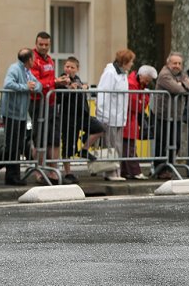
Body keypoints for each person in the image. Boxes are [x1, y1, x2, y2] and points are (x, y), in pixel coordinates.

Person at [55, 56, 105, 184]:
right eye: (67, 66)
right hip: (68, 118)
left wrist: (85, 86)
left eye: (72, 67)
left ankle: (83, 149)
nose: (69, 69)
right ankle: (68, 173)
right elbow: (58, 96)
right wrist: (67, 87)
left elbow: (82, 85)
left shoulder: (77, 79)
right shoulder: (62, 79)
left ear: (77, 69)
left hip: (82, 115)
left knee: (99, 128)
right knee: (67, 146)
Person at [31, 31, 71, 183]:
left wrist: (59, 81)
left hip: (51, 102)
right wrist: (55, 82)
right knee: (39, 137)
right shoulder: (33, 59)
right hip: (37, 101)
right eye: (40, 44)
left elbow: (50, 80)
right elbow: (37, 82)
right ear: (36, 44)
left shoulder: (50, 60)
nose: (43, 47)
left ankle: (53, 170)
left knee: (54, 137)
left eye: (46, 45)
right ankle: (39, 171)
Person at [0, 48, 42, 186]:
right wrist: (25, 87)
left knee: (18, 144)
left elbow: (38, 85)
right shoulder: (15, 68)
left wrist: (33, 87)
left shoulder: (27, 71)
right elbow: (8, 84)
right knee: (13, 145)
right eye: (32, 59)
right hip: (11, 113)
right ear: (29, 59)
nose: (33, 61)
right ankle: (12, 176)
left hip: (22, 114)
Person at [95, 48, 135, 181]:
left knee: (116, 145)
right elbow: (103, 93)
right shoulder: (110, 73)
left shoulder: (122, 74)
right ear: (124, 61)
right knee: (111, 145)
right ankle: (110, 172)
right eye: (130, 61)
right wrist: (102, 115)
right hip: (110, 116)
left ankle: (115, 171)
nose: (132, 64)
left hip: (118, 116)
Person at [154, 52, 189, 179]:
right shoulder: (164, 75)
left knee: (176, 143)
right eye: (174, 63)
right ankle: (160, 169)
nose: (177, 66)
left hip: (176, 115)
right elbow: (177, 90)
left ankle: (170, 166)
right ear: (168, 63)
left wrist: (181, 84)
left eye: (179, 63)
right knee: (162, 143)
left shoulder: (182, 75)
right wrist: (182, 85)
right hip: (164, 114)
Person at [122, 65, 157, 179]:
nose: (147, 83)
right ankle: (135, 171)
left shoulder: (135, 84)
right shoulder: (133, 85)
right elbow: (136, 106)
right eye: (147, 80)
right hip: (129, 119)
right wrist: (145, 97)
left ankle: (126, 171)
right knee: (130, 146)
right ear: (141, 76)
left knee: (126, 146)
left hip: (130, 119)